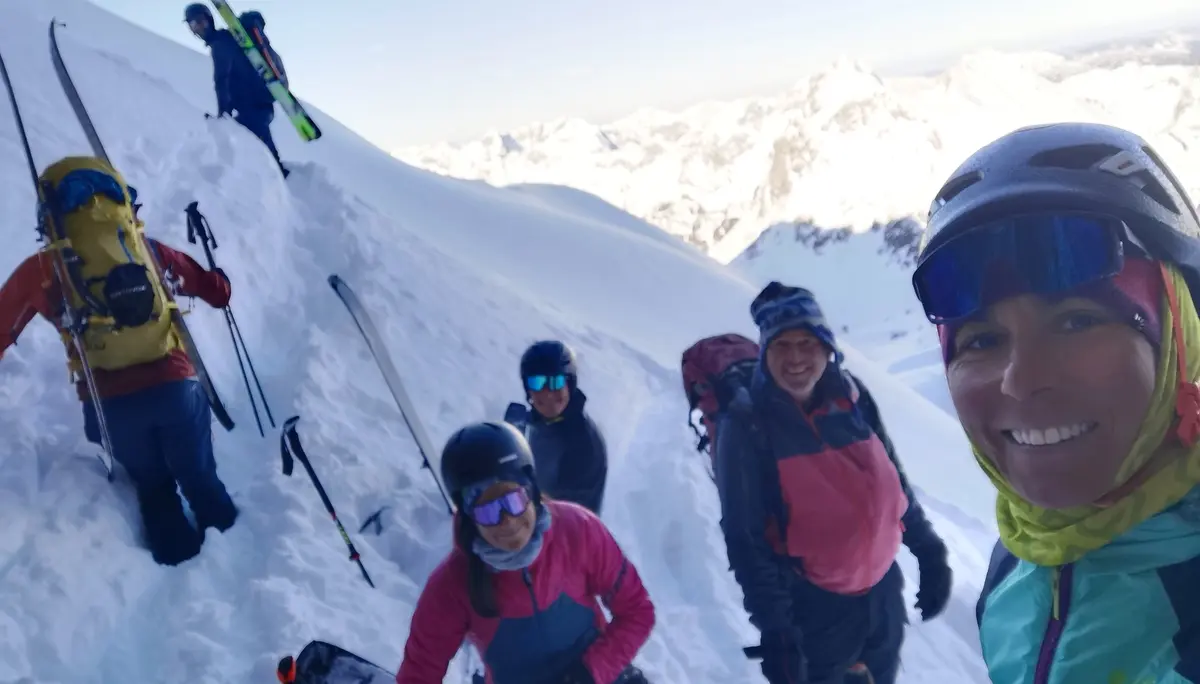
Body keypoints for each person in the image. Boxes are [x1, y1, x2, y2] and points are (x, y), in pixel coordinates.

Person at [912, 122, 1200, 683]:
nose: (1021, 381)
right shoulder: (1022, 560)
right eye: (982, 341)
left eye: (1077, 320)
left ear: (1179, 348)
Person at [0, 156, 238, 567]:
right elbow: (214, 291)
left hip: (110, 404)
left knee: (153, 486)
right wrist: (221, 282)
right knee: (199, 477)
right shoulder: (144, 250)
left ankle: (179, 562)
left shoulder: (44, 269)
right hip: (175, 388)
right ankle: (234, 562)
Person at [715, 282, 952, 684]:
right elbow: (745, 538)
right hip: (812, 609)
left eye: (806, 343)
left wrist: (928, 550)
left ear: (827, 348)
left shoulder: (853, 398)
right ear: (764, 353)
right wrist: (777, 631)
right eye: (781, 345)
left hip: (881, 593)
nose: (795, 359)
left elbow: (892, 482)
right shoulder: (746, 425)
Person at [395, 421, 654, 684]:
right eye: (488, 510)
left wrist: (590, 672)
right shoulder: (452, 586)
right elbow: (420, 671)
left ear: (531, 490)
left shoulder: (578, 531)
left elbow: (637, 611)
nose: (507, 521)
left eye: (513, 500)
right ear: (469, 517)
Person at [184, 3, 289, 179]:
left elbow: (221, 80)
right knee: (252, 138)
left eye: (200, 22)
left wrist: (223, 114)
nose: (198, 28)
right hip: (257, 101)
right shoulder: (227, 39)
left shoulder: (221, 43)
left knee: (255, 138)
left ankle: (279, 174)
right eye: (193, 25)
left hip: (253, 102)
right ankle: (274, 171)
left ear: (209, 19)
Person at [518, 341, 608, 515]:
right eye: (537, 382)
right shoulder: (534, 424)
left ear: (570, 384)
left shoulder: (583, 444)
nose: (548, 392)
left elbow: (568, 514)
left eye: (556, 382)